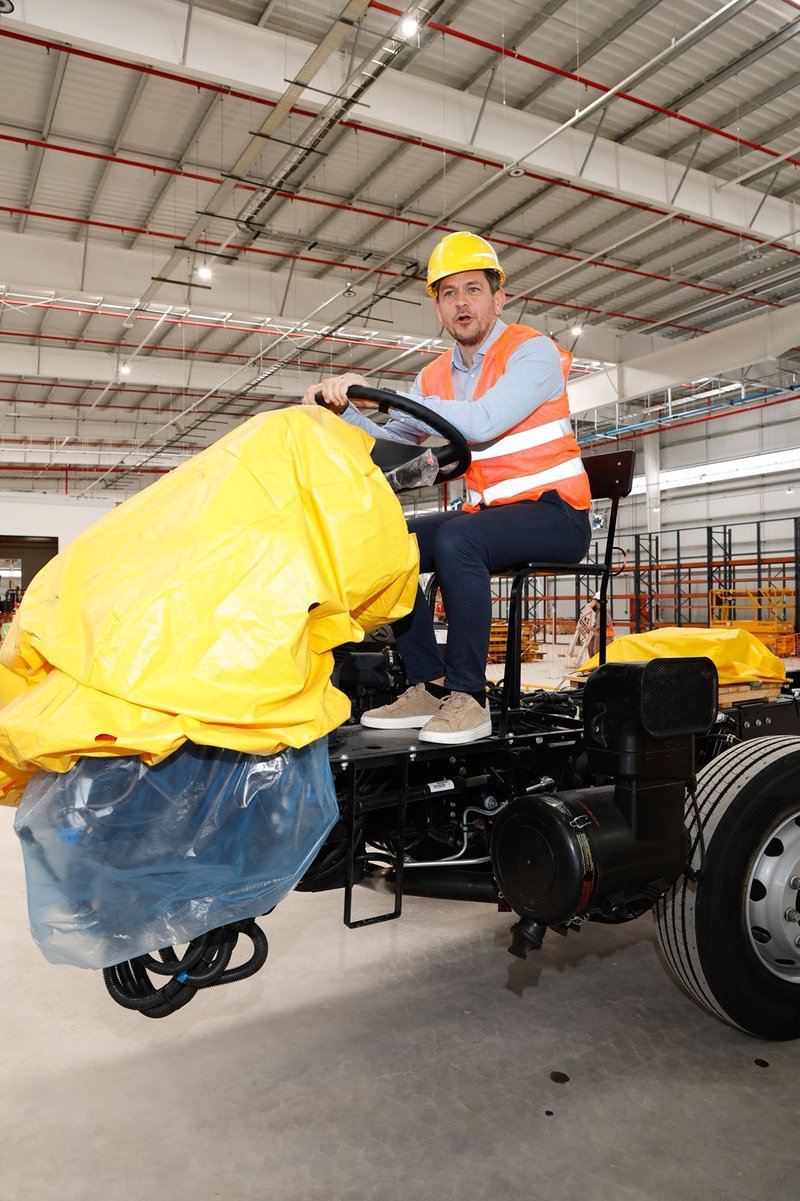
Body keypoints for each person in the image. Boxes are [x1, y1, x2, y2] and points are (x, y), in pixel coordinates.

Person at [302, 230, 591, 745]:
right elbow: (392, 446)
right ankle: (429, 683)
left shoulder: (532, 352)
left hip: (557, 516)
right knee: (392, 541)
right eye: (449, 293)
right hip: (491, 516)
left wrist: (382, 397)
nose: (461, 303)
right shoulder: (433, 377)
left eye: (473, 289)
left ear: (498, 298)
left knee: (459, 540)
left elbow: (483, 421)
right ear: (437, 308)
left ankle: (468, 697)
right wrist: (343, 413)